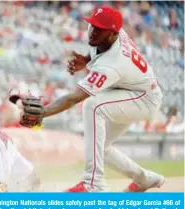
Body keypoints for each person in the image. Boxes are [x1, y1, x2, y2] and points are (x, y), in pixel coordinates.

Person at [17, 5, 164, 192]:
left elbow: (74, 98)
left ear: (113, 34)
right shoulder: (107, 35)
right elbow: (98, 48)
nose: (93, 30)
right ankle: (145, 179)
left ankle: (93, 183)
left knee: (93, 106)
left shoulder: (114, 62)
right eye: (93, 24)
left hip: (144, 99)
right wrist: (87, 60)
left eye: (99, 28)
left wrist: (44, 112)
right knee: (99, 149)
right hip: (128, 91)